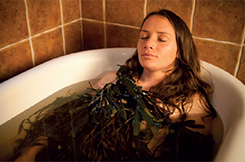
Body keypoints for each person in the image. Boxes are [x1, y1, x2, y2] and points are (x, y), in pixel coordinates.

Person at [13, 9, 216, 161]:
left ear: (180, 50)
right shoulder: (113, 79)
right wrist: (29, 154)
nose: (149, 43)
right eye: (144, 36)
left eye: (162, 39)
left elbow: (193, 153)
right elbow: (65, 117)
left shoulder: (190, 101)